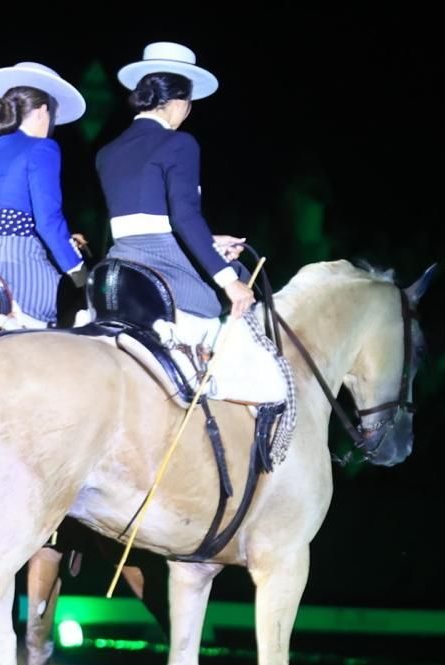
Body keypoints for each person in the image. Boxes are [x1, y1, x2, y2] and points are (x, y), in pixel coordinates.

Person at [95, 42, 285, 404]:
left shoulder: (108, 151)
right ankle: (221, 389)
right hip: (162, 266)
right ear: (180, 101)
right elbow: (184, 217)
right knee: (245, 285)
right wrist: (229, 282)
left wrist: (209, 240)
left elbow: (145, 219)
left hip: (120, 263)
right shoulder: (179, 142)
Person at [0, 61, 89, 327]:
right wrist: (78, 270)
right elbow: (47, 220)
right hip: (18, 269)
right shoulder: (43, 148)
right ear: (43, 111)